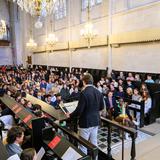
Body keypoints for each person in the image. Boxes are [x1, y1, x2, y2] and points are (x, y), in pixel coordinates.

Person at [66, 73, 104, 155]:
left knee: (83, 145)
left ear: (84, 82)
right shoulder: (98, 92)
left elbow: (79, 110)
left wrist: (70, 115)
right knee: (94, 144)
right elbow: (101, 107)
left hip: (85, 123)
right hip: (96, 121)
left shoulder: (84, 93)